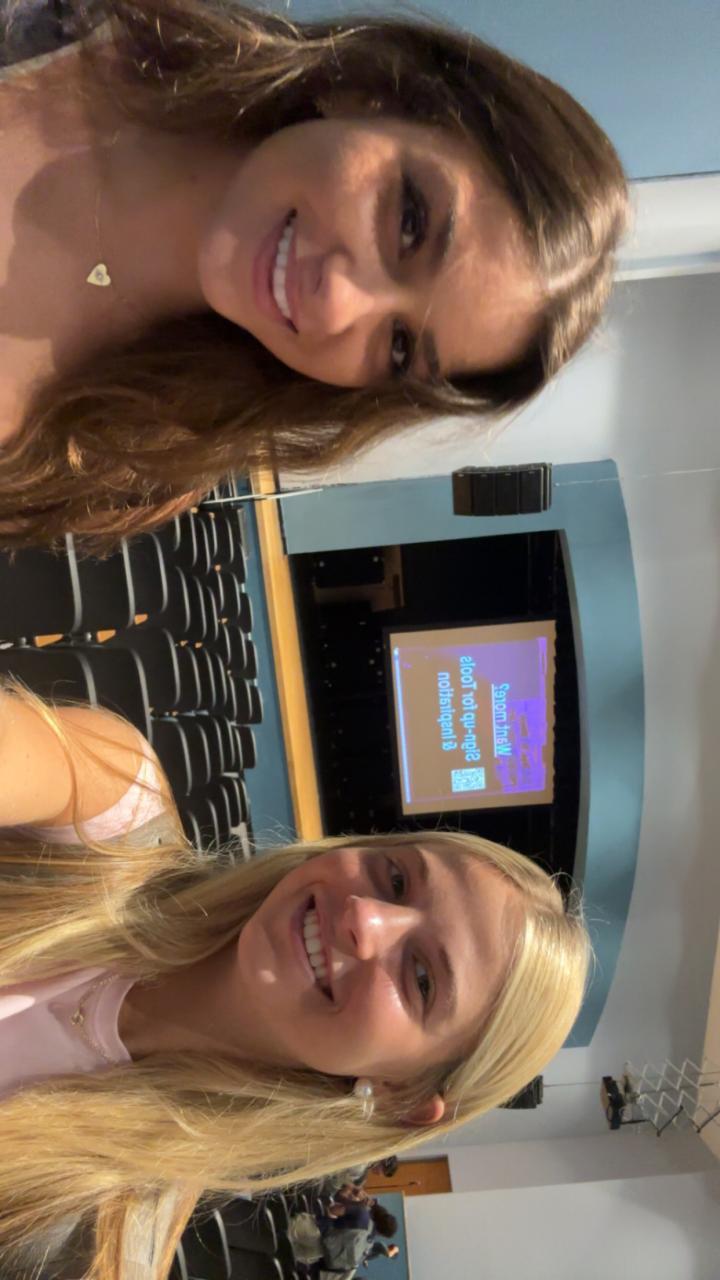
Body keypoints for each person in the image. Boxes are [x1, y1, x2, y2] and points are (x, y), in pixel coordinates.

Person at [0, 679, 590, 1279]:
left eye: (421, 978)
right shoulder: (112, 807)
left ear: (401, 1097)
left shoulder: (94, 1251)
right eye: (396, 879)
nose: (365, 918)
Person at [0, 0, 629, 553]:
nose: (336, 303)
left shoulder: (132, 467)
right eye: (409, 223)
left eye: (399, 347)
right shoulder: (67, 20)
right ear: (378, 93)